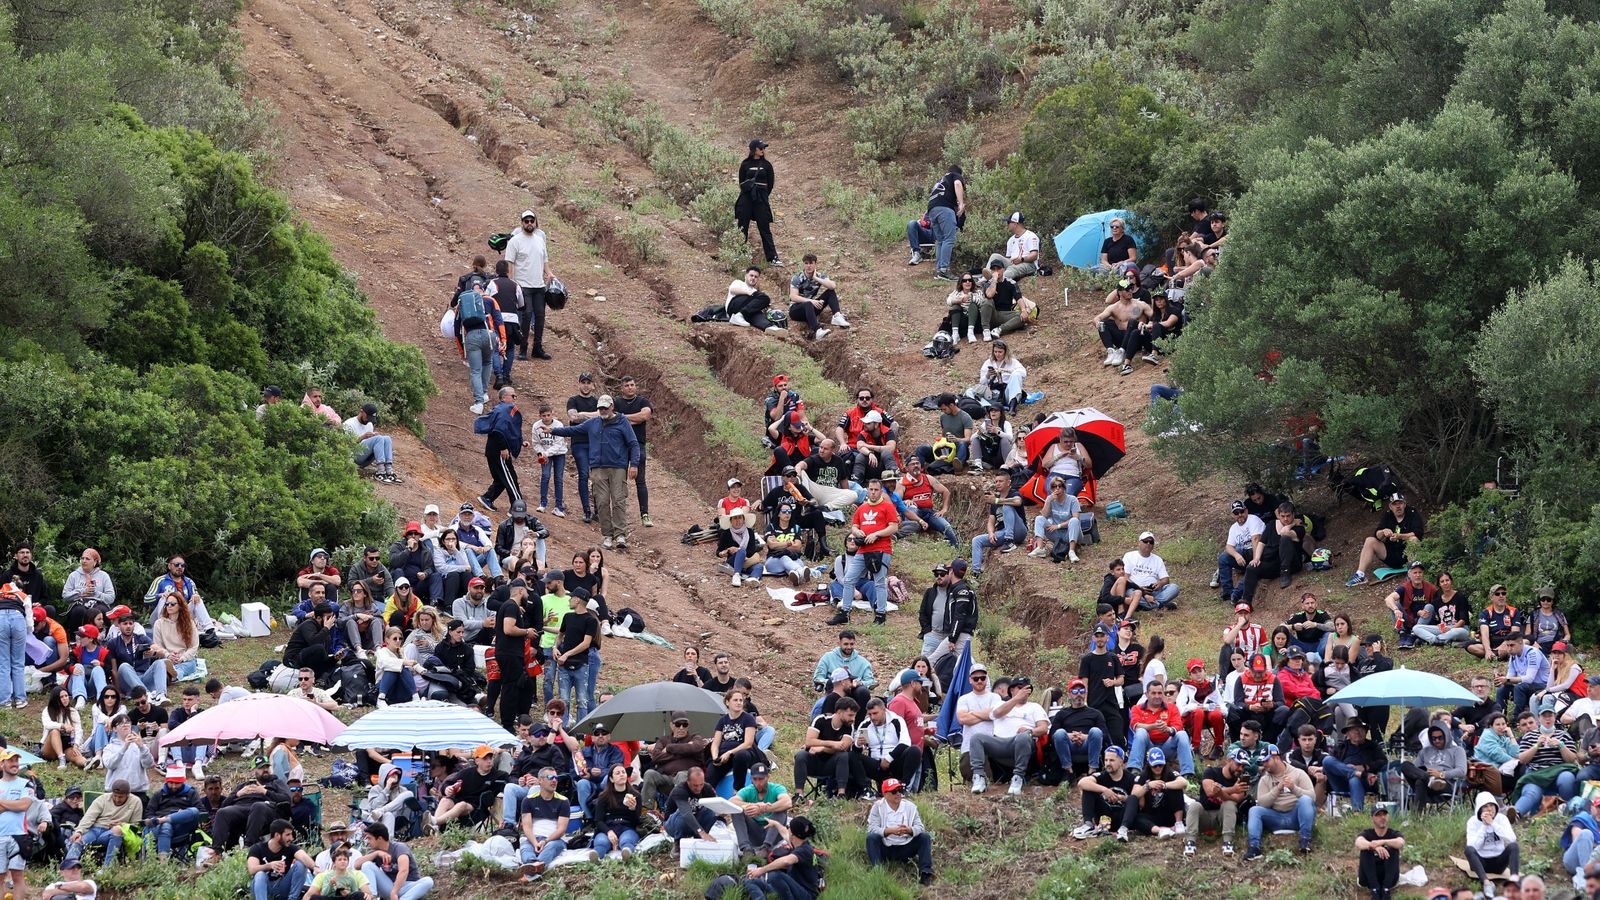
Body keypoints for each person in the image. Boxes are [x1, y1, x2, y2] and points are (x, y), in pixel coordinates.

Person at [550, 394, 640, 549]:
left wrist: (634, 464)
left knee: (618, 500)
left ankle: (620, 535)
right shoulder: (593, 423)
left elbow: (633, 444)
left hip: (618, 467)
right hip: (597, 468)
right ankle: (607, 534)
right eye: (600, 408)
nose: (603, 410)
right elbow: (573, 430)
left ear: (612, 406)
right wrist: (553, 430)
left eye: (605, 407)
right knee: (602, 502)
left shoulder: (622, 421)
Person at [831, 478, 898, 627]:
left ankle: (880, 614)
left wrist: (877, 534)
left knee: (879, 582)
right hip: (862, 549)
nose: (873, 493)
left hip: (881, 549)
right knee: (848, 579)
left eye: (876, 490)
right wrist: (857, 531)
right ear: (867, 490)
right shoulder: (862, 508)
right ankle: (845, 612)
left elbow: (894, 527)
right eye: (871, 489)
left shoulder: (887, 506)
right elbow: (854, 526)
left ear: (881, 491)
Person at [1244, 748, 1316, 859]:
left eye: (1267, 761)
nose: (1264, 765)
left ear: (1276, 758)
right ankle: (1254, 847)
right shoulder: (1264, 779)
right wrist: (1278, 788)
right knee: (1254, 810)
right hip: (1275, 817)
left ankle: (1305, 840)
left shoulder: (1298, 773)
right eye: (1262, 762)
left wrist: (1293, 788)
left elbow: (1312, 797)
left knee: (1305, 800)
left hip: (1296, 816)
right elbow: (1262, 803)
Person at [1514, 697, 1580, 818]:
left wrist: (1561, 746)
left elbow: (1572, 759)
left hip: (1560, 771)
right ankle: (1516, 813)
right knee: (1531, 791)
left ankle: (1570, 811)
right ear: (1539, 718)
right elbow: (1522, 759)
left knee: (1567, 778)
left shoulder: (1563, 735)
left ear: (1555, 717)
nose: (1548, 718)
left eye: (1550, 715)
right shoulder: (1529, 736)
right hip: (1537, 773)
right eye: (1544, 716)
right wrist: (1536, 746)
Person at [1346, 492, 1425, 587]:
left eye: (1400, 503)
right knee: (1370, 540)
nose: (1398, 506)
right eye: (1395, 504)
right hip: (1391, 554)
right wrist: (1383, 531)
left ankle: (1412, 573)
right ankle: (1360, 575)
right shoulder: (1388, 515)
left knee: (1413, 539)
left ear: (1404, 504)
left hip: (1408, 555)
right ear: (1390, 507)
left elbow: (1418, 533)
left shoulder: (1412, 513)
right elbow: (1377, 535)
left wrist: (1400, 536)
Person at [504, 210, 553, 361]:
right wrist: (511, 281)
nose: (529, 223)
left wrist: (549, 273)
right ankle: (523, 348)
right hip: (523, 284)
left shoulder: (540, 239)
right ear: (522, 223)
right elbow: (510, 262)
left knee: (540, 316)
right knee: (526, 315)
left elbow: (544, 259)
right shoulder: (515, 241)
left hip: (539, 285)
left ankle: (537, 347)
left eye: (532, 220)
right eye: (527, 221)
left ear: (535, 222)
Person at [793, 697, 865, 800]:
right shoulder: (820, 720)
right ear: (839, 712)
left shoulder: (849, 727)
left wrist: (822, 748)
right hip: (815, 761)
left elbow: (843, 747)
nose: (853, 719)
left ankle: (841, 794)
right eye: (850, 715)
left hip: (833, 765)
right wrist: (832, 744)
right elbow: (809, 741)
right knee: (801, 755)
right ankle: (799, 794)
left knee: (843, 755)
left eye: (854, 715)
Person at [864, 778, 933, 885]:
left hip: (906, 846)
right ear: (885, 794)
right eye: (894, 791)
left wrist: (909, 830)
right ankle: (877, 870)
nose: (898, 794)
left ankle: (925, 873)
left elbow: (920, 827)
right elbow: (872, 828)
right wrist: (889, 831)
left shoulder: (910, 807)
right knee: (872, 838)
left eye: (900, 790)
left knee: (924, 837)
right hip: (886, 846)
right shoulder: (877, 807)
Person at [65, 778, 141, 868]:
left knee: (117, 830)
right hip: (95, 829)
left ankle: (107, 868)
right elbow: (89, 817)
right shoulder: (102, 799)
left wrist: (122, 824)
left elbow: (136, 824)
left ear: (127, 795)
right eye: (115, 795)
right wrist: (79, 831)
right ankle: (68, 869)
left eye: (120, 797)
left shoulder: (136, 801)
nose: (117, 799)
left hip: (114, 832)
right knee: (78, 840)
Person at [642, 712, 710, 812]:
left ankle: (680, 811)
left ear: (688, 725)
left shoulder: (695, 737)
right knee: (649, 773)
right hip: (666, 779)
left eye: (685, 724)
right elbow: (656, 757)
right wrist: (685, 750)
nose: (681, 728)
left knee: (681, 774)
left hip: (688, 779)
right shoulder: (663, 739)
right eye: (678, 724)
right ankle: (647, 812)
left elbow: (696, 747)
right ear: (671, 725)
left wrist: (670, 748)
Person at [742, 816, 822, 900]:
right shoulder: (798, 842)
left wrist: (761, 870)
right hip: (793, 888)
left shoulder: (804, 850)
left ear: (793, 835)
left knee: (775, 876)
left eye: (789, 828)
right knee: (750, 880)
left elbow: (786, 861)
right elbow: (785, 833)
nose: (787, 829)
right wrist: (775, 824)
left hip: (806, 895)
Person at [1238, 502, 1306, 601]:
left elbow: (1284, 532)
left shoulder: (1299, 528)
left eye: (1288, 516)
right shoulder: (1271, 525)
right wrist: (1256, 558)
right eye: (1283, 516)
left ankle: (1285, 573)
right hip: (1273, 564)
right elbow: (1262, 542)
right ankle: (1246, 601)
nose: (1285, 519)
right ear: (1279, 515)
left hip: (1292, 564)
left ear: (1293, 514)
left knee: (1285, 539)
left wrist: (1293, 524)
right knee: (1251, 567)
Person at [1129, 677, 1196, 776]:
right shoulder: (1137, 708)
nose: (1157, 696)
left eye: (1160, 693)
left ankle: (1187, 773)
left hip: (1167, 747)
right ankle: (1135, 771)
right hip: (1148, 748)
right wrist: (1153, 726)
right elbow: (1135, 725)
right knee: (1141, 732)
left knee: (1182, 734)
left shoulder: (1172, 708)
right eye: (1153, 693)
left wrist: (1167, 729)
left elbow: (1178, 725)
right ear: (1147, 694)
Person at [477, 386, 529, 512]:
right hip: (498, 451)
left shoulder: (501, 409)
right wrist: (503, 448)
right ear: (503, 397)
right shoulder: (504, 409)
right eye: (513, 396)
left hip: (494, 450)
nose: (515, 398)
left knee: (501, 478)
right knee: (511, 477)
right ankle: (518, 508)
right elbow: (498, 431)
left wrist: (520, 442)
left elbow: (508, 431)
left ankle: (487, 498)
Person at [611, 376, 654, 528]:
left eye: (632, 384)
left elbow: (644, 415)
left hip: (639, 445)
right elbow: (609, 418)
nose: (630, 387)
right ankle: (619, 515)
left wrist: (621, 418)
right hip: (620, 446)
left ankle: (645, 514)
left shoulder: (643, 401)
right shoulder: (616, 403)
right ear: (621, 388)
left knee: (640, 481)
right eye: (627, 385)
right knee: (618, 481)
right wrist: (633, 420)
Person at [1071, 745, 1135, 839]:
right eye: (1106, 760)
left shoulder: (1131, 778)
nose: (1108, 763)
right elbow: (1081, 783)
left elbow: (1140, 802)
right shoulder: (1102, 775)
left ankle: (1123, 829)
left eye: (1112, 760)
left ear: (1121, 761)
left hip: (1123, 816)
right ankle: (1088, 825)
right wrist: (1104, 790)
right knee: (1088, 789)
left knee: (1133, 798)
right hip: (1104, 816)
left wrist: (1124, 798)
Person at [356, 821, 433, 900]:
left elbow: (404, 871)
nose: (368, 841)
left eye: (369, 838)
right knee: (367, 865)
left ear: (379, 838)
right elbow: (357, 865)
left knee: (428, 881)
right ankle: (372, 897)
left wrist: (394, 892)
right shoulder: (375, 851)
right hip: (389, 886)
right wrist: (376, 853)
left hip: (408, 886)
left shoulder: (399, 848)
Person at [1464, 792, 1520, 897]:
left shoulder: (1501, 819)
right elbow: (1473, 846)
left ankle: (1514, 881)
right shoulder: (1472, 821)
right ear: (1480, 809)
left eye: (1491, 805)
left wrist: (1493, 824)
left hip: (1498, 862)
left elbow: (1512, 839)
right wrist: (1484, 826)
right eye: (1485, 806)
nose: (1489, 809)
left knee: (1514, 846)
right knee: (1468, 849)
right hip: (1480, 862)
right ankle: (1486, 883)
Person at [731, 762, 792, 857]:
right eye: (755, 779)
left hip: (773, 832)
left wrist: (764, 809)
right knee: (736, 810)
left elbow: (787, 802)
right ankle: (746, 849)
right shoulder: (748, 790)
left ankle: (766, 848)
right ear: (751, 779)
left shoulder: (776, 788)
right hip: (755, 832)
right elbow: (731, 802)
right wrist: (752, 805)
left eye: (761, 779)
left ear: (768, 777)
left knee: (781, 809)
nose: (758, 783)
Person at [1324, 721, 1386, 812]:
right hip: (1342, 781)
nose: (1358, 732)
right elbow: (1334, 765)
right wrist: (1345, 768)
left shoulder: (1373, 746)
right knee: (1327, 760)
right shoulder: (1342, 747)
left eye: (1361, 729)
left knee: (1354, 779)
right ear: (1348, 733)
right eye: (1354, 730)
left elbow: (1383, 762)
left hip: (1366, 781)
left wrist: (1365, 767)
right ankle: (1356, 773)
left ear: (1366, 732)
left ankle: (1357, 812)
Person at [970, 473, 1025, 575]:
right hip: (1002, 532)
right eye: (996, 482)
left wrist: (997, 500)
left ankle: (1010, 542)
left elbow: (1018, 502)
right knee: (976, 540)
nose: (997, 484)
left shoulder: (1013, 493)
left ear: (1008, 483)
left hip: (1019, 530)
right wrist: (991, 533)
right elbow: (991, 521)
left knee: (1007, 506)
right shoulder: (994, 501)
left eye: (1001, 481)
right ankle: (976, 572)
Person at [1401, 724, 1467, 809]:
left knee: (1420, 782)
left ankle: (1416, 818)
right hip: (1425, 780)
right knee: (1405, 765)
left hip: (1443, 784)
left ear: (1446, 736)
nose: (1437, 741)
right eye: (1434, 738)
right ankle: (1428, 778)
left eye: (1440, 738)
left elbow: (1462, 771)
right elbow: (1415, 769)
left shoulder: (1457, 750)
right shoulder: (1424, 751)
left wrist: (1440, 774)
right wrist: (1426, 775)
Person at [736, 140, 780, 266]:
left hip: (760, 199)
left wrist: (762, 194)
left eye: (763, 148)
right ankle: (739, 254)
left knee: (764, 228)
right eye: (760, 148)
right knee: (742, 226)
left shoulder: (767, 165)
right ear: (754, 149)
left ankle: (772, 257)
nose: (763, 150)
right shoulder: (745, 164)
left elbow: (770, 184)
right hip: (746, 198)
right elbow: (741, 182)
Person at [919, 165, 965, 280]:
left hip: (932, 210)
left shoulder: (941, 180)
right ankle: (944, 269)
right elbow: (958, 184)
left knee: (940, 241)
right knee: (949, 238)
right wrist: (961, 203)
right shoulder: (955, 175)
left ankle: (939, 270)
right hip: (944, 209)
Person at [787, 254, 847, 339]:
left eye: (811, 263)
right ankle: (817, 330)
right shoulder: (797, 277)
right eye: (806, 263)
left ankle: (837, 316)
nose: (809, 266)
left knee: (830, 292)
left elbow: (832, 286)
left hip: (810, 309)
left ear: (815, 264)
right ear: (803, 264)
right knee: (808, 303)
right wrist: (811, 301)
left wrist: (816, 278)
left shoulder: (820, 276)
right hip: (796, 310)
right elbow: (793, 297)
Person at [1356, 805, 1405, 900]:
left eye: (1384, 814)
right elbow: (1358, 842)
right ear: (1372, 818)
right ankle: (1375, 889)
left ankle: (1386, 889)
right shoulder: (1367, 833)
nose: (1382, 817)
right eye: (1378, 815)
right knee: (1366, 850)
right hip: (1368, 877)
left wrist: (1383, 842)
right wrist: (1373, 846)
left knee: (1393, 848)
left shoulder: (1393, 833)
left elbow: (1401, 842)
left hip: (1388, 877)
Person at [343, 403, 401, 484]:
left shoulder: (369, 424)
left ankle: (389, 472)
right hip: (353, 458)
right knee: (379, 438)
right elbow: (345, 446)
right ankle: (380, 472)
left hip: (366, 458)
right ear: (361, 412)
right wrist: (362, 437)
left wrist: (373, 438)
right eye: (367, 417)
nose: (368, 420)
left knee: (386, 438)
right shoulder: (349, 424)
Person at [1414, 571, 1473, 648]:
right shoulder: (1437, 601)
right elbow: (1432, 615)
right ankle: (1438, 641)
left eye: (1447, 580)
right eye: (1442, 581)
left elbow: (1463, 620)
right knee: (1416, 628)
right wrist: (1419, 612)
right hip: (1443, 629)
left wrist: (1450, 629)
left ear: (1451, 581)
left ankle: (1433, 640)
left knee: (1455, 632)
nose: (1445, 583)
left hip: (1459, 629)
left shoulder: (1460, 597)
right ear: (1439, 584)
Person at [1498, 632, 1550, 718]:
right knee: (1502, 690)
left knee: (1520, 687)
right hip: (1525, 687)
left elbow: (1529, 679)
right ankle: (1499, 718)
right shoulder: (1513, 656)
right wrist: (1502, 680)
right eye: (1507, 646)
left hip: (1541, 686)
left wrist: (1507, 680)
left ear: (1521, 643)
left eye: (1512, 645)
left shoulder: (1532, 653)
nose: (1509, 649)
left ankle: (1517, 719)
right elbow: (1510, 676)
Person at [1123, 531, 1178, 610]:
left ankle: (1143, 604)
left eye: (1151, 542)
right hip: (1135, 589)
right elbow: (1126, 577)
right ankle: (1159, 606)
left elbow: (1166, 579)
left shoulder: (1157, 559)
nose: (1148, 544)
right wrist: (1140, 589)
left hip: (1153, 591)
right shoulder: (1129, 556)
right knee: (1128, 592)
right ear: (1139, 543)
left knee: (1174, 588)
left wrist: (1160, 583)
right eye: (1145, 541)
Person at [664, 766, 721, 843]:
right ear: (688, 781)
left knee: (710, 811)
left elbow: (716, 805)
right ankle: (678, 842)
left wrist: (722, 812)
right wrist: (701, 832)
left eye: (701, 784)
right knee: (682, 812)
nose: (698, 788)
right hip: (673, 824)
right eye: (695, 785)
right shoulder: (680, 790)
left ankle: (699, 840)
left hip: (695, 822)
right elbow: (686, 813)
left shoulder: (707, 788)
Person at [974, 263, 1026, 342]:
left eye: (998, 269)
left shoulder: (1011, 283)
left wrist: (1023, 310)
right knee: (987, 301)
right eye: (994, 269)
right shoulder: (988, 283)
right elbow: (989, 295)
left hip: (1004, 314)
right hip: (991, 314)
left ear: (1003, 269)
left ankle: (999, 329)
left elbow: (1018, 297)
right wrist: (994, 280)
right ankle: (986, 331)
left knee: (1021, 317)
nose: (996, 271)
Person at [306, 845, 376, 900]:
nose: (342, 861)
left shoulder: (353, 876)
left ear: (348, 861)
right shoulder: (326, 875)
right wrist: (330, 884)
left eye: (345, 859)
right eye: (339, 859)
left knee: (360, 895)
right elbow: (323, 893)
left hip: (346, 898)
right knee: (314, 898)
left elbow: (358, 893)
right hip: (331, 898)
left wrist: (348, 893)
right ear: (334, 862)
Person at [716, 510, 767, 587]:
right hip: (732, 561)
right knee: (741, 551)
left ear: (743, 520)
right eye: (735, 518)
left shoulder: (750, 532)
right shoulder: (726, 533)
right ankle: (736, 575)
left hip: (747, 561)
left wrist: (741, 553)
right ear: (731, 521)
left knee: (759, 567)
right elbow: (718, 551)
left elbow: (752, 550)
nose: (738, 521)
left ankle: (752, 579)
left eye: (740, 518)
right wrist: (725, 551)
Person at [1473, 584, 1523, 659]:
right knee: (1470, 646)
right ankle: (1494, 654)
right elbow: (1484, 634)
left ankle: (1496, 654)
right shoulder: (1485, 613)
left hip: (1509, 641)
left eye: (1503, 593)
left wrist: (1504, 645)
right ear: (1491, 597)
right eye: (1497, 594)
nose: (1501, 596)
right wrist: (1488, 650)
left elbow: (1514, 633)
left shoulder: (1514, 611)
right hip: (1492, 641)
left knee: (1525, 641)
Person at [988, 211, 1039, 281]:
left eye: (1009, 222)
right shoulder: (1010, 240)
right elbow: (1008, 258)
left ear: (1015, 224)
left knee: (1012, 268)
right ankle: (986, 277)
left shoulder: (1031, 236)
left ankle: (996, 281)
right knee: (995, 256)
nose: (1007, 224)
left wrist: (1021, 259)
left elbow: (1034, 255)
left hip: (1028, 264)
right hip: (1013, 263)